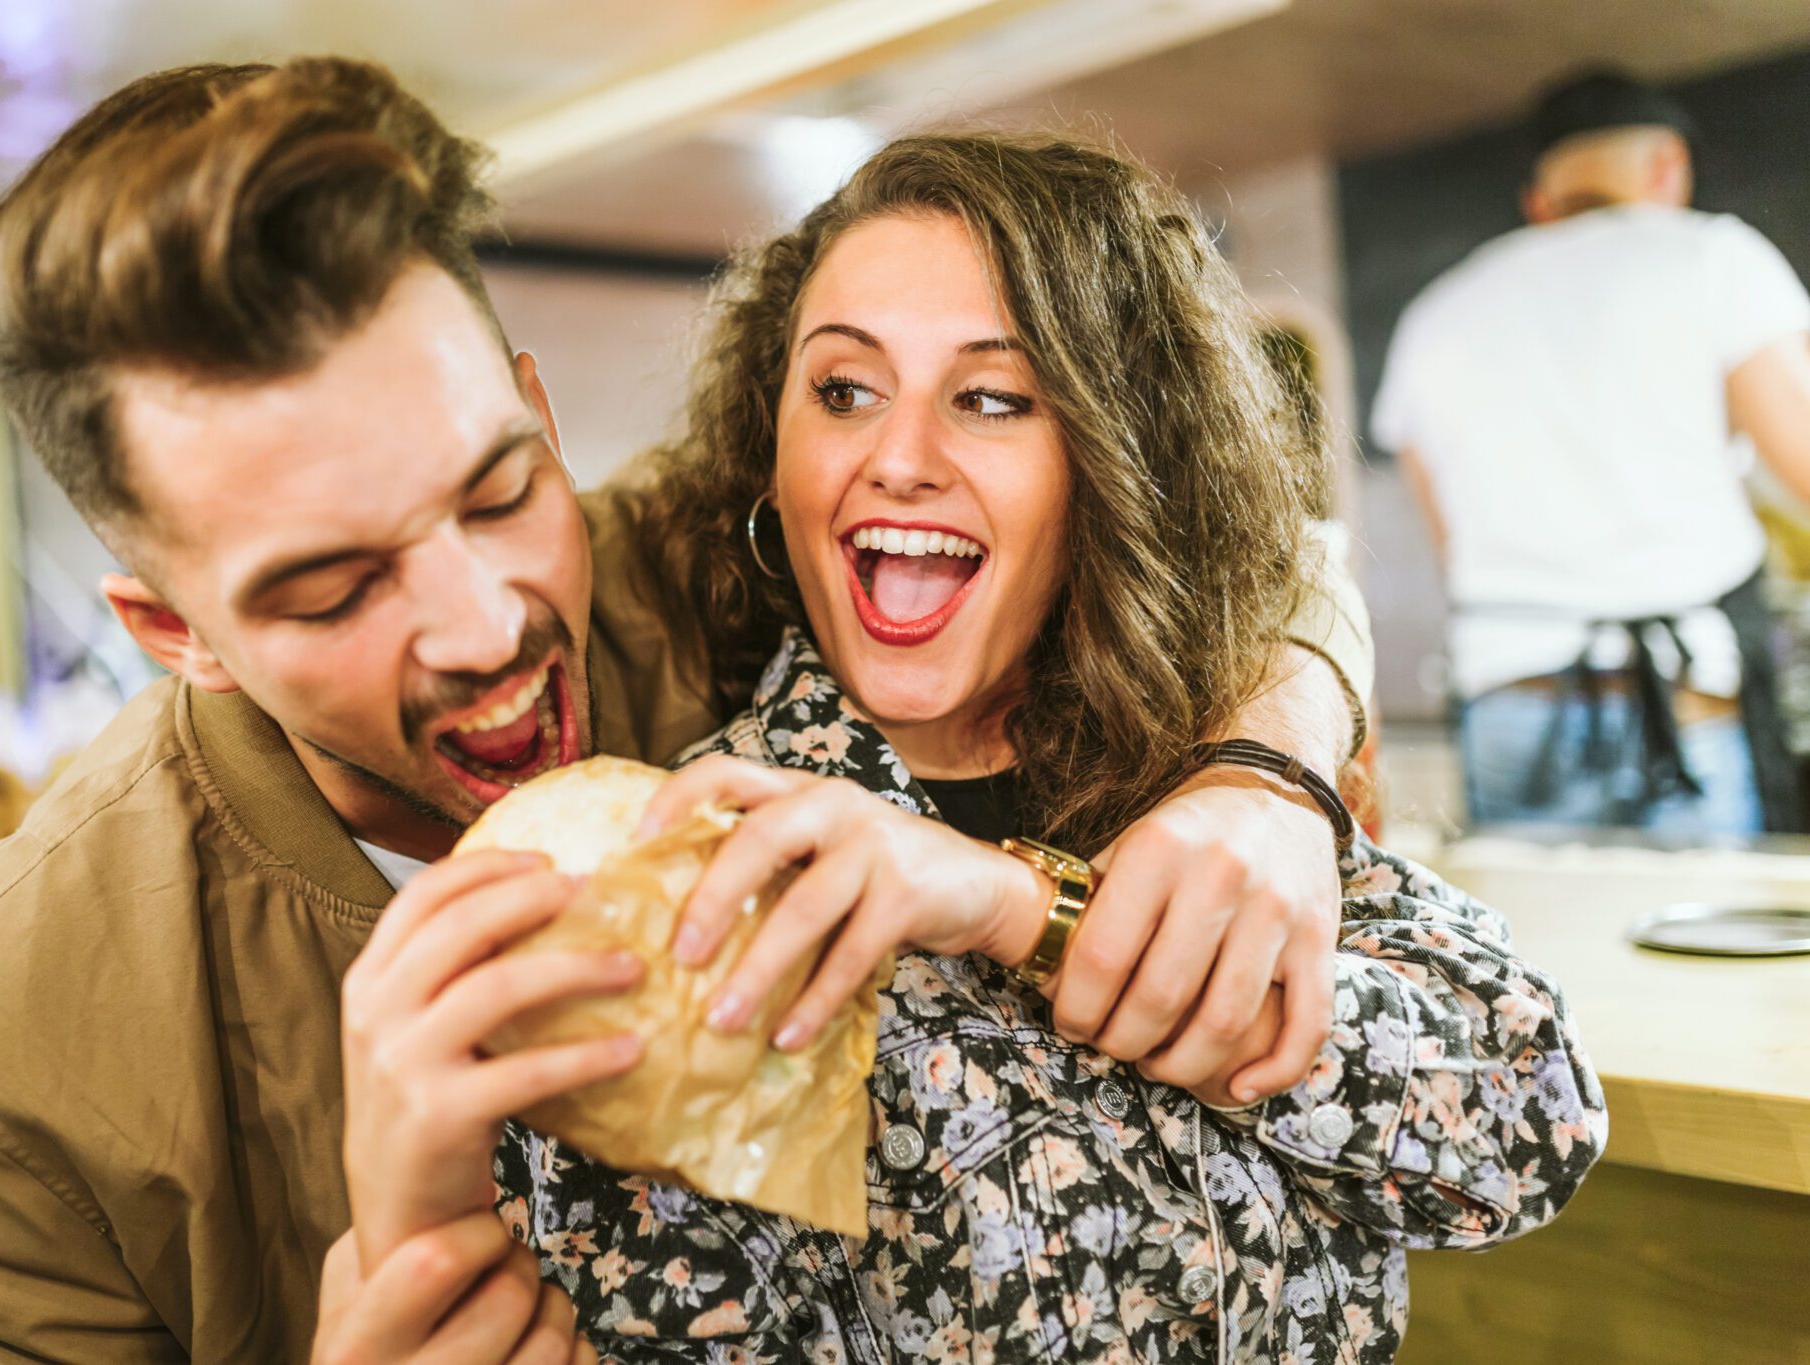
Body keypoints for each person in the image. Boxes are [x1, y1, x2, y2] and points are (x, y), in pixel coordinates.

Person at [0, 59, 1377, 1361]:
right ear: (179, 632)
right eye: (330, 590)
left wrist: (1269, 765)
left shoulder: (690, 574)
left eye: (501, 492)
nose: (488, 623)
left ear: (538, 414)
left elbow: (1226, 546)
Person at [367, 131, 1600, 1363]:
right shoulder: (699, 872)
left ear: (1115, 463)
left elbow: (1524, 1132)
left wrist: (1017, 908)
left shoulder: (1220, 765)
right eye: (841, 392)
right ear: (773, 449)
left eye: (991, 399)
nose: (896, 459)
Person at [1372, 68, 1810, 836]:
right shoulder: (1713, 258)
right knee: (1695, 951)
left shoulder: (1434, 314)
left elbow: (1452, 543)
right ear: (1669, 168)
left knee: (1535, 954)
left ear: (1538, 200)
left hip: (1509, 701)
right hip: (1677, 707)